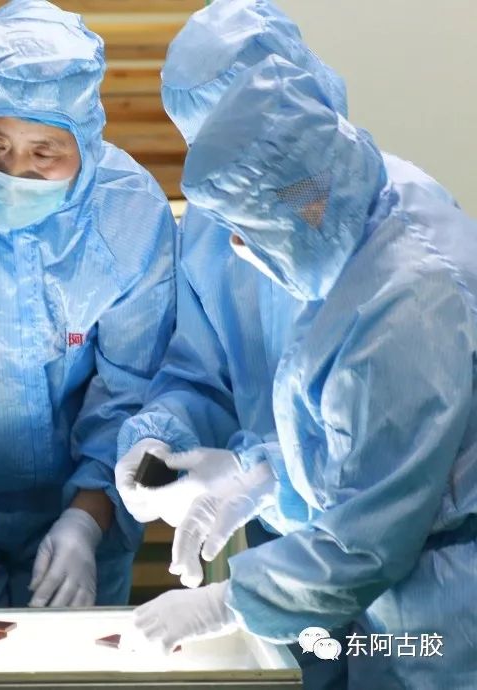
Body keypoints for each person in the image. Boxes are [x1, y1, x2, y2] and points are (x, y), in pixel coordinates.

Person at [114, 2, 454, 684]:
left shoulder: (401, 283)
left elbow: (373, 510)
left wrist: (259, 488)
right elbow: (205, 369)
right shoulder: (239, 223)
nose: (237, 238)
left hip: (420, 583)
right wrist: (162, 439)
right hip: (304, 555)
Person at [0, 0, 177, 610]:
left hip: (81, 500)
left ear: (86, 143)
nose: (15, 170)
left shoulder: (128, 214)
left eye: (45, 152)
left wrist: (88, 519)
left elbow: (133, 386)